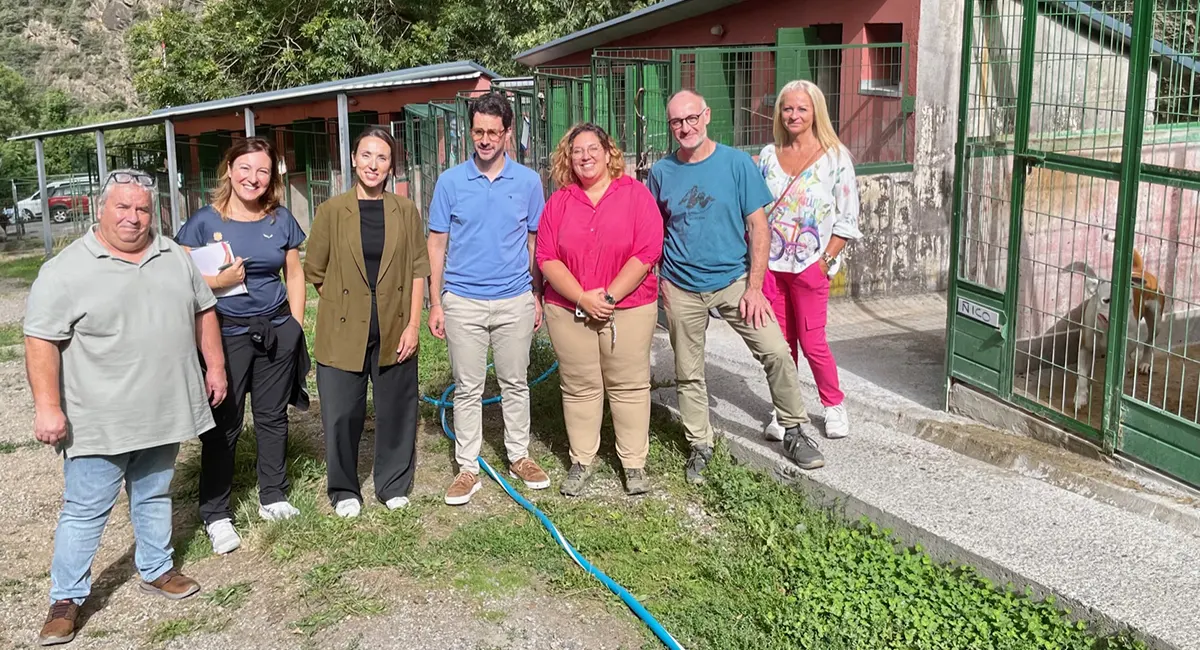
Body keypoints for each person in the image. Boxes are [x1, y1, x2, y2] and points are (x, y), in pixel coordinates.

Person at [24, 169, 226, 646]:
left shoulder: (173, 255)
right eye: (123, 207)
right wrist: (47, 408)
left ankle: (156, 569)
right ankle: (66, 599)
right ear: (100, 210)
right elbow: (40, 341)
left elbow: (204, 310)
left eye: (142, 209)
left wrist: (214, 367)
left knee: (154, 495)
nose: (134, 218)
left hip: (163, 410)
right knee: (84, 510)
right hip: (98, 420)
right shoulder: (66, 270)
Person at [647, 89, 825, 482]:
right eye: (676, 121)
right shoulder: (661, 172)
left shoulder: (737, 164)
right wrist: (660, 281)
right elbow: (654, 231)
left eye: (691, 118)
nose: (684, 127)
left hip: (735, 282)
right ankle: (700, 444)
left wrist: (755, 287)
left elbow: (759, 226)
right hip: (681, 285)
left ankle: (794, 430)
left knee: (776, 351)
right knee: (688, 371)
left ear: (706, 115)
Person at [175, 136, 308, 556]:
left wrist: (295, 326)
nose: (254, 178)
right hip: (225, 334)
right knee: (224, 424)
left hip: (275, 331)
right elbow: (180, 280)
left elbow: (295, 273)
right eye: (245, 169)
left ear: (272, 178)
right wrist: (219, 282)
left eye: (263, 171)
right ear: (229, 171)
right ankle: (216, 513)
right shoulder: (202, 222)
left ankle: (273, 495)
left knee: (272, 417)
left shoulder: (280, 218)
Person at [427, 92, 549, 506]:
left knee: (515, 381)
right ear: (471, 132)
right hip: (463, 300)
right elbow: (437, 243)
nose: (485, 139)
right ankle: (468, 467)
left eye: (493, 132)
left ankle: (519, 455)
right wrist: (437, 302)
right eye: (478, 131)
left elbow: (535, 240)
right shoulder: (450, 182)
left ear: (508, 134)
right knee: (467, 387)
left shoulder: (529, 182)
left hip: (515, 298)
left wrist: (537, 293)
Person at [304, 126, 429, 518]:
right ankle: (344, 489)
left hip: (394, 326)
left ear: (392, 166)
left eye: (383, 158)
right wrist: (349, 306)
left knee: (396, 408)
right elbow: (317, 271)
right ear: (354, 159)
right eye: (367, 155)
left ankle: (392, 483)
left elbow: (417, 270)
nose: (373, 164)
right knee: (341, 412)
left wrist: (411, 325)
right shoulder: (330, 212)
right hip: (343, 327)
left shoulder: (405, 211)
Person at [535, 123, 664, 497]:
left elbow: (647, 251)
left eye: (593, 149)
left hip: (629, 308)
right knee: (579, 386)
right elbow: (546, 256)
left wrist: (607, 298)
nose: (585, 157)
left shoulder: (636, 196)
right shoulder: (559, 202)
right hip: (569, 309)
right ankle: (582, 459)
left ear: (609, 153)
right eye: (577, 151)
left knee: (629, 385)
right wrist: (581, 297)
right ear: (568, 158)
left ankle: (634, 463)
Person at [759, 80, 863, 441]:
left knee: (812, 339)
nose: (794, 115)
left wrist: (826, 259)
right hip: (772, 266)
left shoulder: (835, 157)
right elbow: (757, 209)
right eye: (787, 108)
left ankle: (833, 405)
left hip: (810, 264)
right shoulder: (768, 156)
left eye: (802, 108)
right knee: (780, 344)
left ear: (815, 111)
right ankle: (785, 410)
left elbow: (848, 217)